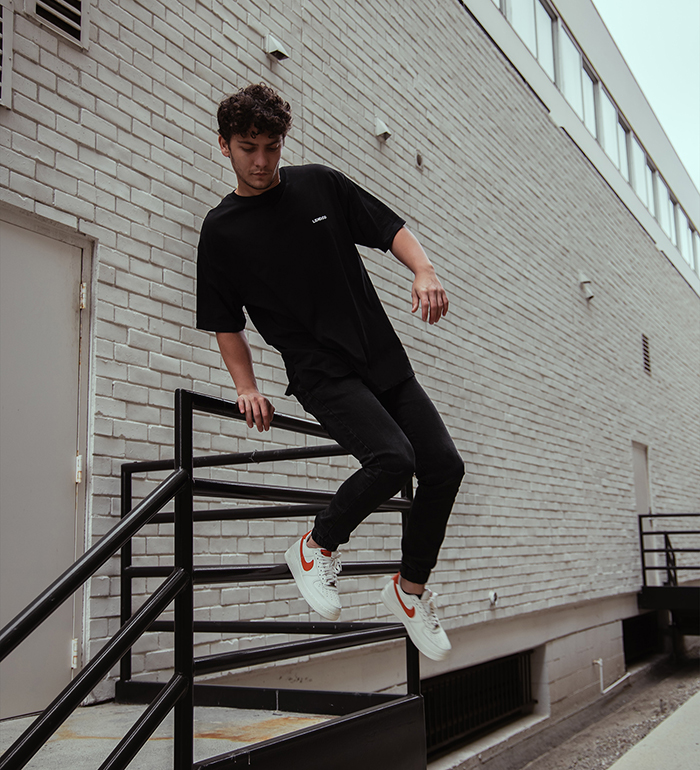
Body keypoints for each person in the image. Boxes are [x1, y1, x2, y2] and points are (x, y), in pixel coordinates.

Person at [196, 83, 464, 661]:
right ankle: (316, 547)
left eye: (271, 147)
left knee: (444, 466)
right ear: (224, 146)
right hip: (320, 371)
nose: (262, 161)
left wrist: (424, 270)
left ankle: (410, 590)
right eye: (248, 148)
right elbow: (225, 321)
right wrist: (246, 387)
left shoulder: (319, 184)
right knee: (393, 458)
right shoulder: (221, 231)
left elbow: (388, 227)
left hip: (381, 356)